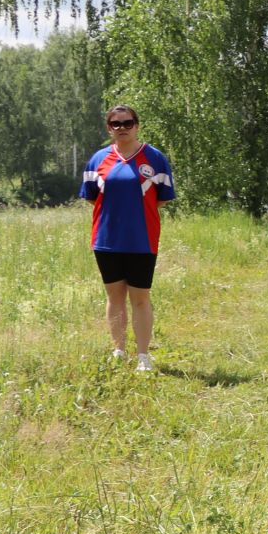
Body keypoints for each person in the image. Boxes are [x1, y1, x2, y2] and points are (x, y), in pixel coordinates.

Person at [79, 104, 175, 372]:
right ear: (109, 128)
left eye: (127, 123)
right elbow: (90, 197)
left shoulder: (155, 158)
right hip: (106, 239)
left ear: (137, 125)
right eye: (115, 124)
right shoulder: (98, 160)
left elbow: (163, 200)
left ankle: (143, 356)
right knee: (114, 297)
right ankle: (119, 350)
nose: (122, 128)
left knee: (141, 298)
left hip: (142, 239)